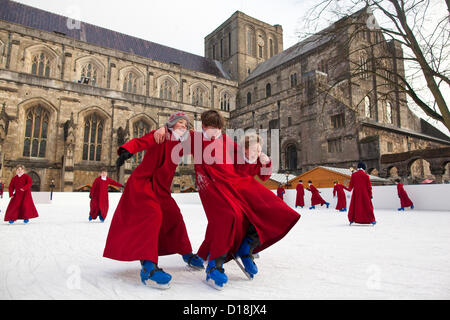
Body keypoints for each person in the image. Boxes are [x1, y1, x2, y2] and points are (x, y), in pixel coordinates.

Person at [153, 110, 300, 290]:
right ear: (204, 127)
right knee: (229, 216)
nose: (214, 133)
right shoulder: (195, 139)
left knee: (273, 208)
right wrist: (163, 128)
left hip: (235, 185)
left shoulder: (227, 142)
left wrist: (263, 159)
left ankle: (247, 247)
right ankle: (215, 264)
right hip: (211, 188)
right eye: (210, 129)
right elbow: (176, 133)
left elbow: (245, 167)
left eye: (218, 129)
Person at [103, 112, 204, 290]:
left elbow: (210, 138)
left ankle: (186, 253)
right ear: (171, 124)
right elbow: (143, 141)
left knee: (174, 216)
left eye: (186, 124)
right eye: (180, 122)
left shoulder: (185, 140)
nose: (183, 126)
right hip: (144, 183)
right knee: (152, 216)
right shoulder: (161, 134)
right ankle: (149, 267)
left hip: (162, 189)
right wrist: (127, 150)